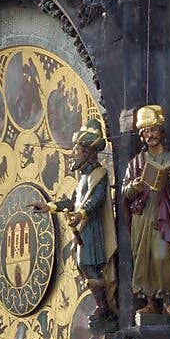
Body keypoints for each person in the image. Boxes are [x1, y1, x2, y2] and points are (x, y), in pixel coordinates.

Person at [121, 104, 170, 319]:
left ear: (162, 131)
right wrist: (134, 186)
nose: (150, 135)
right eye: (145, 131)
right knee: (143, 258)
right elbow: (125, 193)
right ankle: (150, 301)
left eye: (153, 130)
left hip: (164, 215)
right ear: (142, 136)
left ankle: (168, 299)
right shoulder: (135, 163)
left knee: (162, 256)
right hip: (142, 216)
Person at [44, 119, 118, 318]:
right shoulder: (83, 178)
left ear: (87, 153)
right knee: (84, 267)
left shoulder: (99, 173)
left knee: (89, 266)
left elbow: (96, 198)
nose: (73, 155)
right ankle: (102, 306)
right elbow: (72, 202)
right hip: (83, 228)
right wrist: (49, 206)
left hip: (93, 229)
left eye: (76, 151)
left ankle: (104, 307)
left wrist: (81, 213)